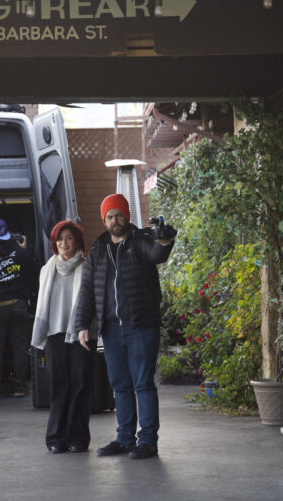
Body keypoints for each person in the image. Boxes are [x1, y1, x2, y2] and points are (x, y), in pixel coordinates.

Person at [74, 194, 175, 460]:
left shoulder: (141, 240)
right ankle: (125, 438)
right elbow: (86, 290)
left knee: (142, 383)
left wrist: (165, 239)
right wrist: (82, 324)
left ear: (126, 217)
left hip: (142, 325)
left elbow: (158, 254)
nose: (115, 220)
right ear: (104, 220)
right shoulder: (97, 250)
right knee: (119, 385)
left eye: (119, 215)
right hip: (111, 328)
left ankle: (148, 441)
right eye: (109, 216)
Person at [31, 220, 92, 454]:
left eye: (69, 238)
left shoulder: (88, 267)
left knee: (80, 385)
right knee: (59, 386)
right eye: (60, 238)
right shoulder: (47, 270)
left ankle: (78, 437)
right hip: (54, 333)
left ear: (77, 240)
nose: (64, 242)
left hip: (82, 334)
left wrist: (85, 327)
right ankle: (56, 437)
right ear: (54, 243)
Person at [0, 218, 38, 399]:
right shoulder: (19, 252)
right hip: (18, 306)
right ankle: (19, 387)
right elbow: (33, 273)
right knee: (19, 348)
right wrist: (23, 250)